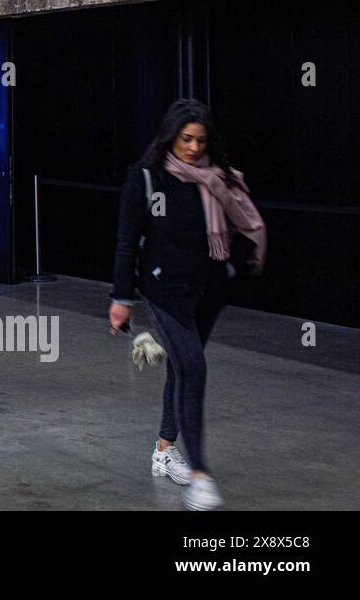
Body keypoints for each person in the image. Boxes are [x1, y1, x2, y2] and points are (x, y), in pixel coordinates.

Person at [109, 99, 266, 510]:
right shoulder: (146, 179)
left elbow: (239, 227)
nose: (194, 148)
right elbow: (127, 243)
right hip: (163, 292)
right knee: (194, 370)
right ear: (170, 137)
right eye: (186, 139)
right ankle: (200, 473)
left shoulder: (217, 179)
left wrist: (232, 269)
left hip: (208, 292)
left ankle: (164, 449)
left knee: (180, 370)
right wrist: (121, 299)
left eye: (201, 140)